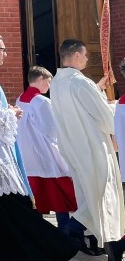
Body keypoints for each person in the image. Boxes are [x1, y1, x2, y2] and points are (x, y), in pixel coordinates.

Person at [0, 32, 77, 260]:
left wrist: (8, 113)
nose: (5, 54)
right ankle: (56, 248)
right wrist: (12, 113)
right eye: (2, 50)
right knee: (17, 212)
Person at [50, 39, 125, 259]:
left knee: (87, 195)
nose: (86, 58)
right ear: (74, 56)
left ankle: (96, 242)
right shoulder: (81, 83)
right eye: (84, 55)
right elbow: (104, 118)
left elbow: (84, 108)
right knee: (102, 195)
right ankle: (75, 233)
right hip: (93, 147)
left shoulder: (57, 83)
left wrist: (98, 90)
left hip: (73, 147)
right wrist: (108, 105)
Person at [15, 67, 80, 235]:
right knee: (62, 198)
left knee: (36, 199)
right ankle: (65, 233)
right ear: (41, 79)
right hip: (47, 156)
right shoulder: (42, 101)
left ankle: (38, 234)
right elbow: (51, 130)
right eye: (48, 81)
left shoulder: (20, 99)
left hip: (28, 156)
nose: (49, 86)